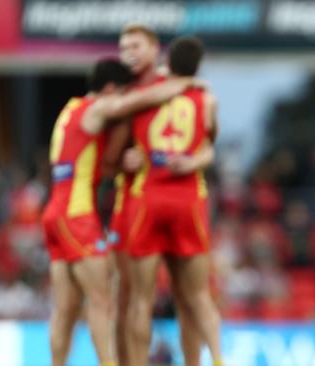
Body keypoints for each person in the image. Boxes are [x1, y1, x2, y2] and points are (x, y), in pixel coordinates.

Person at [42, 59, 194, 366]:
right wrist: (181, 84)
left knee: (66, 308)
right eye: (121, 93)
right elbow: (140, 100)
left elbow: (86, 160)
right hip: (77, 214)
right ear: (111, 89)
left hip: (55, 214)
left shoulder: (70, 110)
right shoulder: (97, 108)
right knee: (102, 303)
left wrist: (118, 164)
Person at [104, 23, 204, 366]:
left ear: (154, 49)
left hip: (170, 203)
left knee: (187, 296)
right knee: (125, 297)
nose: (127, 54)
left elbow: (199, 142)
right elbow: (106, 161)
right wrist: (121, 162)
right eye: (122, 48)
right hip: (128, 205)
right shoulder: (121, 93)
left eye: (134, 47)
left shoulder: (181, 89)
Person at [124, 36, 223, 366]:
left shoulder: (143, 94)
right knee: (196, 297)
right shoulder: (205, 98)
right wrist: (193, 162)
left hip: (149, 196)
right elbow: (209, 146)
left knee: (141, 298)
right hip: (189, 199)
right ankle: (218, 360)